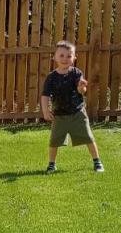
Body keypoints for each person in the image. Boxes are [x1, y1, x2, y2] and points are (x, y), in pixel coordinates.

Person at [40, 40, 103, 173]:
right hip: (59, 115)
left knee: (88, 137)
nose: (65, 59)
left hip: (77, 113)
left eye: (69, 56)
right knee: (54, 141)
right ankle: (51, 164)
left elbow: (82, 91)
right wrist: (45, 111)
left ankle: (97, 162)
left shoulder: (76, 73)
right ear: (55, 57)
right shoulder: (51, 77)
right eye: (61, 55)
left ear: (74, 58)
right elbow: (45, 95)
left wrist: (82, 87)